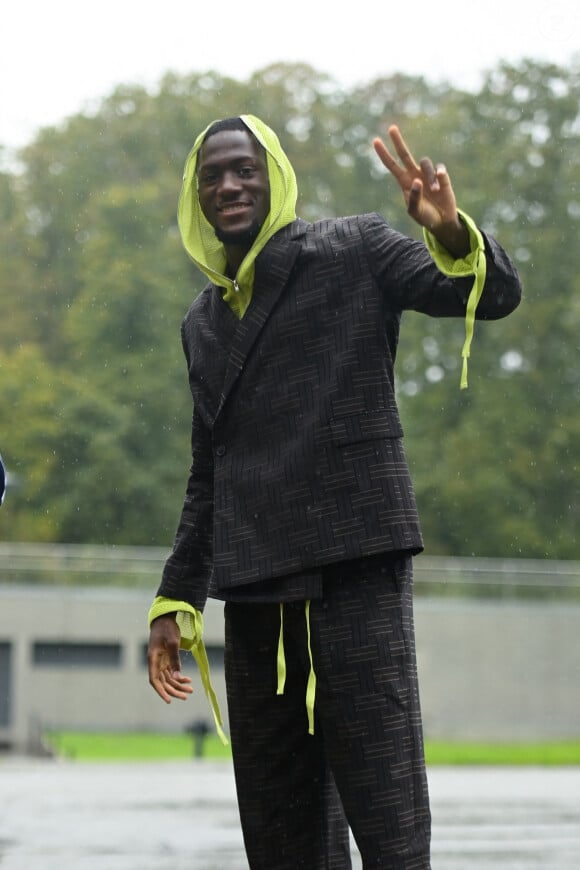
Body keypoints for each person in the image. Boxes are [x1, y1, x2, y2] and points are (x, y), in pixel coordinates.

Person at [147, 114, 521, 869]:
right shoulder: (202, 322)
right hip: (255, 594)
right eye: (213, 175)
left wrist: (449, 234)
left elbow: (489, 295)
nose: (229, 185)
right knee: (281, 830)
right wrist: (175, 600)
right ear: (196, 196)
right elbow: (207, 474)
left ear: (274, 176)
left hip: (354, 573)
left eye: (244, 169)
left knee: (387, 816)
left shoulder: (354, 249)